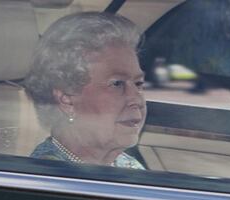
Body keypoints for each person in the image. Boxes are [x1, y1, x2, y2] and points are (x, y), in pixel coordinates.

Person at [24, 12, 147, 169]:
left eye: (138, 83)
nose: (136, 98)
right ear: (67, 100)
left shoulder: (127, 166)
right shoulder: (50, 179)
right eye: (117, 84)